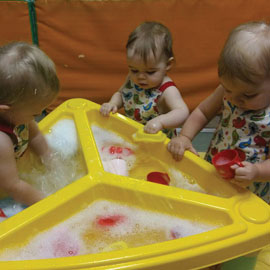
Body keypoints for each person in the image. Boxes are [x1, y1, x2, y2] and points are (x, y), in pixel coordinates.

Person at [167, 21, 270, 204]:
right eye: (228, 89)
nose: (236, 99)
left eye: (248, 95)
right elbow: (203, 112)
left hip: (253, 188)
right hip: (216, 170)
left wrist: (257, 172)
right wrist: (185, 136)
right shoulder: (228, 91)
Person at [100, 21, 189, 138]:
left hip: (158, 144)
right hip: (133, 136)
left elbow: (182, 111)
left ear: (168, 64)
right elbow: (121, 94)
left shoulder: (167, 90)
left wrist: (161, 121)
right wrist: (112, 103)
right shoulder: (133, 78)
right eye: (134, 70)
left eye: (150, 72)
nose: (140, 76)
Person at [0, 42, 60, 206]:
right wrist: (49, 202)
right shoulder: (2, 141)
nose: (37, 116)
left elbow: (36, 135)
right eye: (35, 113)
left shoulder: (17, 114)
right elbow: (13, 186)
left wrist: (50, 161)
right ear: (5, 110)